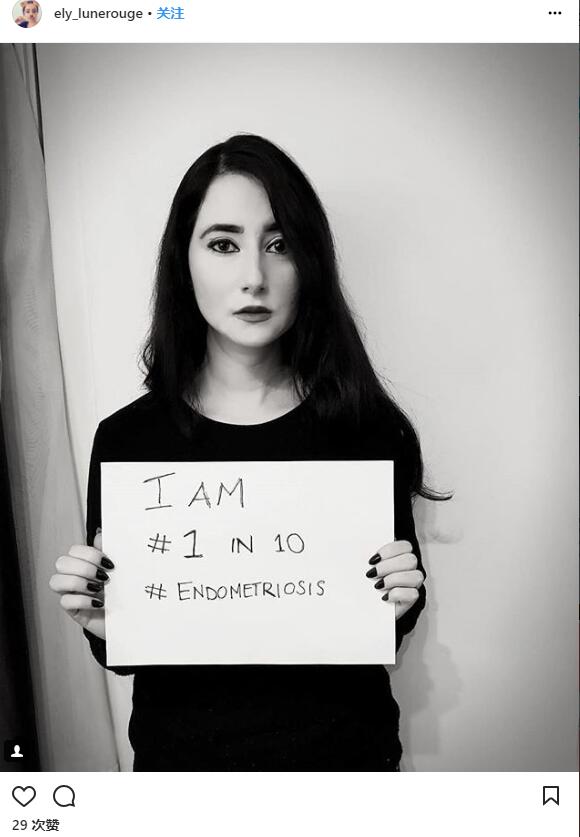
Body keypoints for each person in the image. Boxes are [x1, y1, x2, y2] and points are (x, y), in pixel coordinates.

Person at [49, 133, 450, 771]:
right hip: (184, 775)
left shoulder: (364, 428)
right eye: (223, 244)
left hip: (345, 771)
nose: (254, 278)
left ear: (309, 262)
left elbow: (387, 622)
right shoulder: (128, 440)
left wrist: (401, 598)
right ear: (183, 260)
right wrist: (104, 621)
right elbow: (132, 643)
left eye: (279, 244)